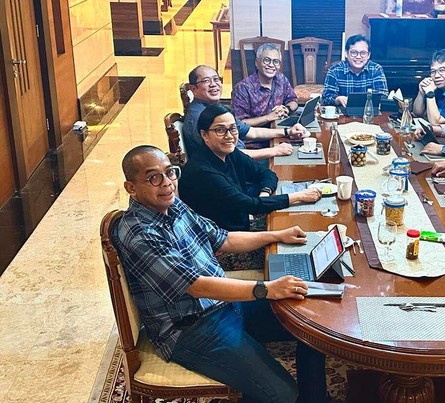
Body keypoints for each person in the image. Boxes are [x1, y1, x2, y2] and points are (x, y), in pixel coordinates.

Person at [113, 145, 329, 403]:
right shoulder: (141, 233)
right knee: (282, 394)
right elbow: (196, 286)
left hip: (223, 304)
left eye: (169, 172)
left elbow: (223, 239)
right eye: (153, 178)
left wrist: (277, 235)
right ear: (131, 187)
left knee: (312, 327)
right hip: (191, 329)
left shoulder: (173, 205)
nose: (167, 183)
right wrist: (267, 288)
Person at [179, 104, 321, 231]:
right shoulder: (202, 171)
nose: (229, 136)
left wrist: (265, 192)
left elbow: (266, 173)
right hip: (224, 242)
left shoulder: (229, 152)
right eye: (220, 130)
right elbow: (249, 205)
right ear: (204, 135)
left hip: (242, 225)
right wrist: (299, 196)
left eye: (233, 128)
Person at [184, 65, 306, 159]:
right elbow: (230, 155)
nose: (213, 84)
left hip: (240, 161)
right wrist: (274, 151)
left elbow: (252, 132)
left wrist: (288, 131)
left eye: (216, 79)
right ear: (193, 89)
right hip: (228, 172)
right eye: (206, 81)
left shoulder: (216, 108)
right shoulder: (199, 117)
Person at [232, 43, 299, 129]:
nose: (271, 65)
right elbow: (239, 123)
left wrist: (286, 109)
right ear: (257, 62)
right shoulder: (242, 88)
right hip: (256, 135)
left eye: (276, 61)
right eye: (266, 60)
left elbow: (293, 100)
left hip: (279, 129)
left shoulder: (281, 79)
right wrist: (269, 117)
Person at [321, 34, 388, 107]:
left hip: (369, 111)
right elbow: (326, 98)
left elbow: (382, 95)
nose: (358, 57)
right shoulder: (334, 70)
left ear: (368, 55)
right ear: (346, 53)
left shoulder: (376, 69)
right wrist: (338, 99)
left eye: (363, 53)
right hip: (342, 112)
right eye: (354, 52)